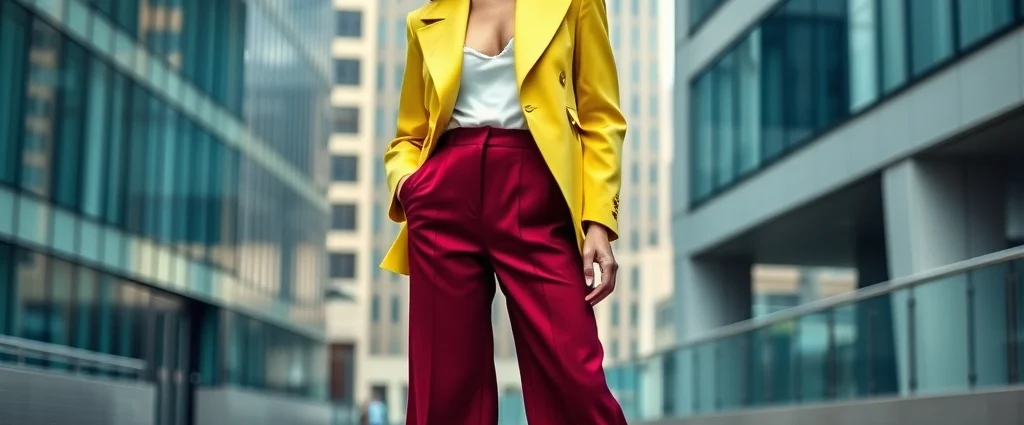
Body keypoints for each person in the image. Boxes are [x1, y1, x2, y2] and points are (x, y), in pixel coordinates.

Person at [380, 0, 628, 424]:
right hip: (442, 199)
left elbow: (601, 117)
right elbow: (409, 136)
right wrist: (409, 186)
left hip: (538, 193)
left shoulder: (575, 4)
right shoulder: (426, 20)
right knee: (444, 389)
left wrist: (598, 222)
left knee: (575, 375)